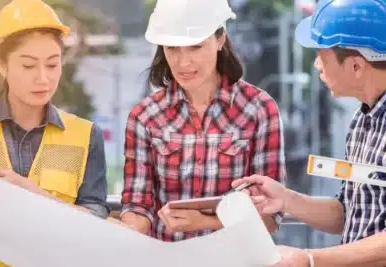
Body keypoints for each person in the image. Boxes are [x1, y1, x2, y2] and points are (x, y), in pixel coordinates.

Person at [233, 0, 386, 266]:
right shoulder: (362, 121)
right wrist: (286, 199)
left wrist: (310, 259)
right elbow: (349, 212)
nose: (316, 65)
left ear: (356, 67)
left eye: (321, 55)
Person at [119, 0, 286, 242]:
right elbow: (137, 205)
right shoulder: (145, 117)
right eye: (172, 48)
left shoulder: (258, 110)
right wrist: (127, 231)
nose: (183, 63)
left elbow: (270, 215)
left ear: (220, 39)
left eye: (195, 47)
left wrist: (208, 222)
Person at [0, 0, 110, 265]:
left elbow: (97, 228)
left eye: (52, 65)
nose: (42, 78)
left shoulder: (86, 136)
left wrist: (34, 196)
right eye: (29, 66)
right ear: (2, 64)